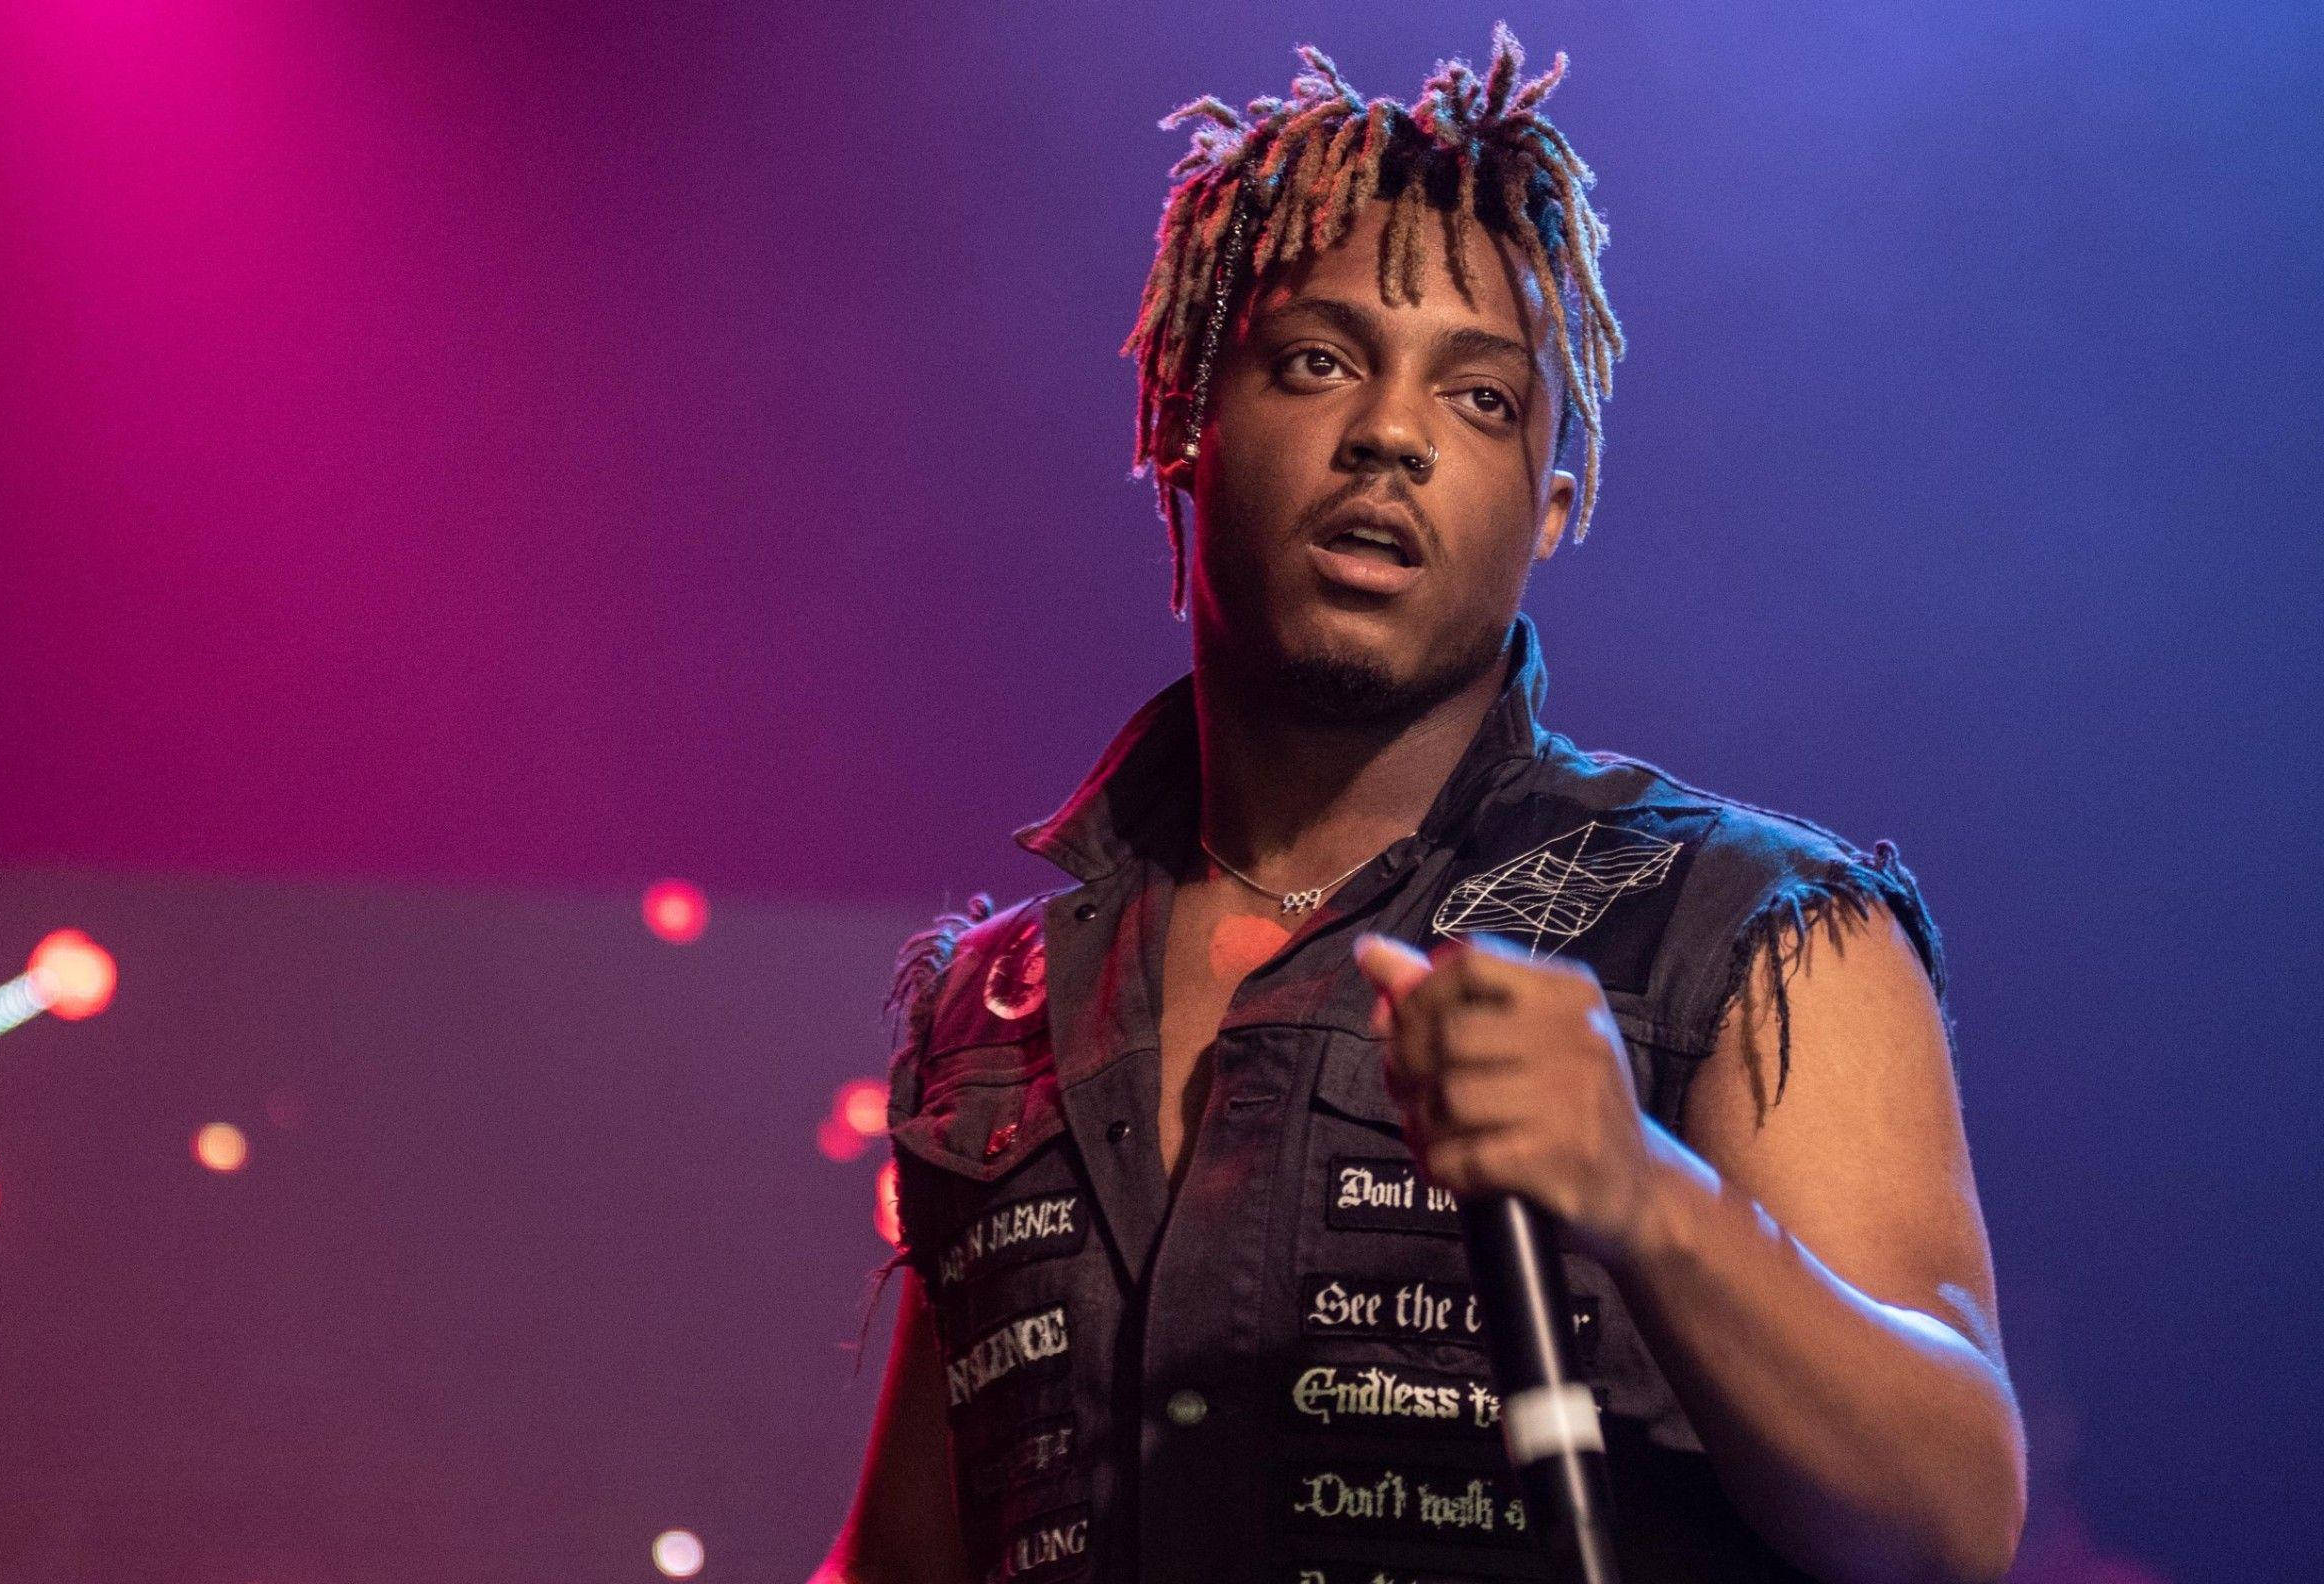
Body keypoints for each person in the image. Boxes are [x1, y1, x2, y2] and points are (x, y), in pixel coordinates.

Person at [812, 26, 2023, 1584]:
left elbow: (1951, 1513)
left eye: (1483, 399)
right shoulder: (1005, 1007)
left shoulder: (1750, 930)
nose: (1390, 431)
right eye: (1318, 362)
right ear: (1184, 423)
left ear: (1550, 510)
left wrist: (1643, 1191)